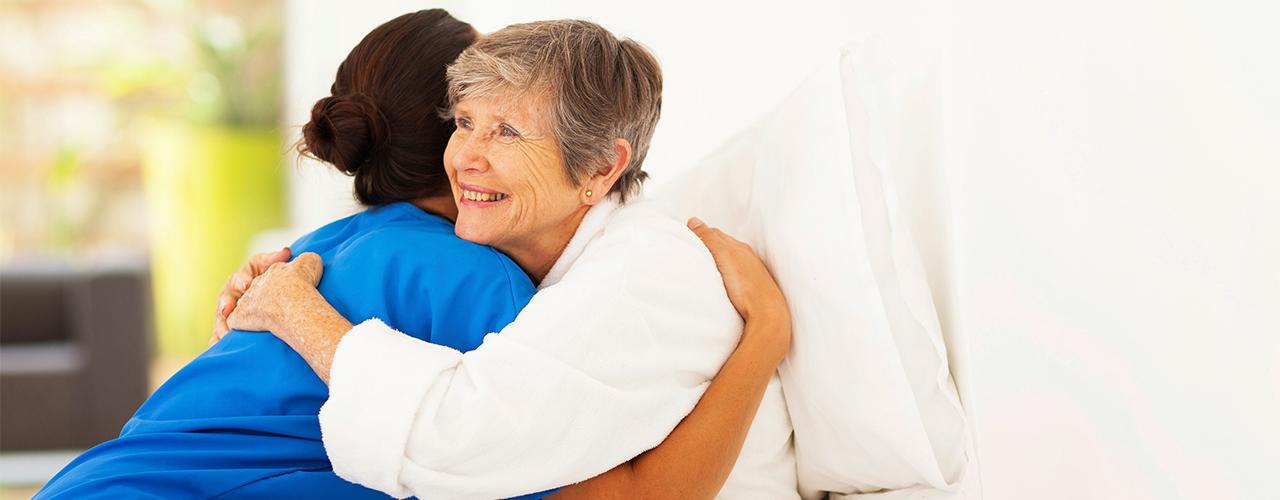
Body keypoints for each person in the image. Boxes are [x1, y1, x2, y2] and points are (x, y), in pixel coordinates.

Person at [38, 10, 790, 500]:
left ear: (601, 167)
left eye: (507, 129)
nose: (471, 151)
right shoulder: (472, 280)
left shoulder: (329, 249)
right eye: (465, 120)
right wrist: (763, 342)